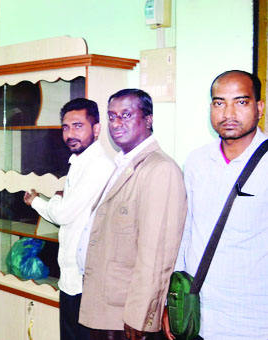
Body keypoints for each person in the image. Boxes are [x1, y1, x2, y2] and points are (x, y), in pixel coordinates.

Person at [163, 70, 268, 340]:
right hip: (197, 313)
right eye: (219, 102)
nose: (228, 113)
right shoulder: (198, 161)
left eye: (241, 102)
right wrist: (172, 299)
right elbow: (186, 231)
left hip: (252, 321)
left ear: (259, 107)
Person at [78, 89, 186, 340]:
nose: (116, 124)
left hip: (127, 315)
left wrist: (141, 314)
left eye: (126, 115)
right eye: (112, 116)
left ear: (148, 120)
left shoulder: (159, 169)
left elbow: (157, 253)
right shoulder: (122, 164)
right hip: (105, 304)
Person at [23, 98, 115, 340]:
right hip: (70, 274)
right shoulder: (79, 162)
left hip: (85, 279)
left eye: (78, 126)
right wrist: (59, 199)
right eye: (65, 127)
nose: (70, 134)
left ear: (96, 129)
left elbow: (63, 213)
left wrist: (37, 201)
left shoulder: (99, 165)